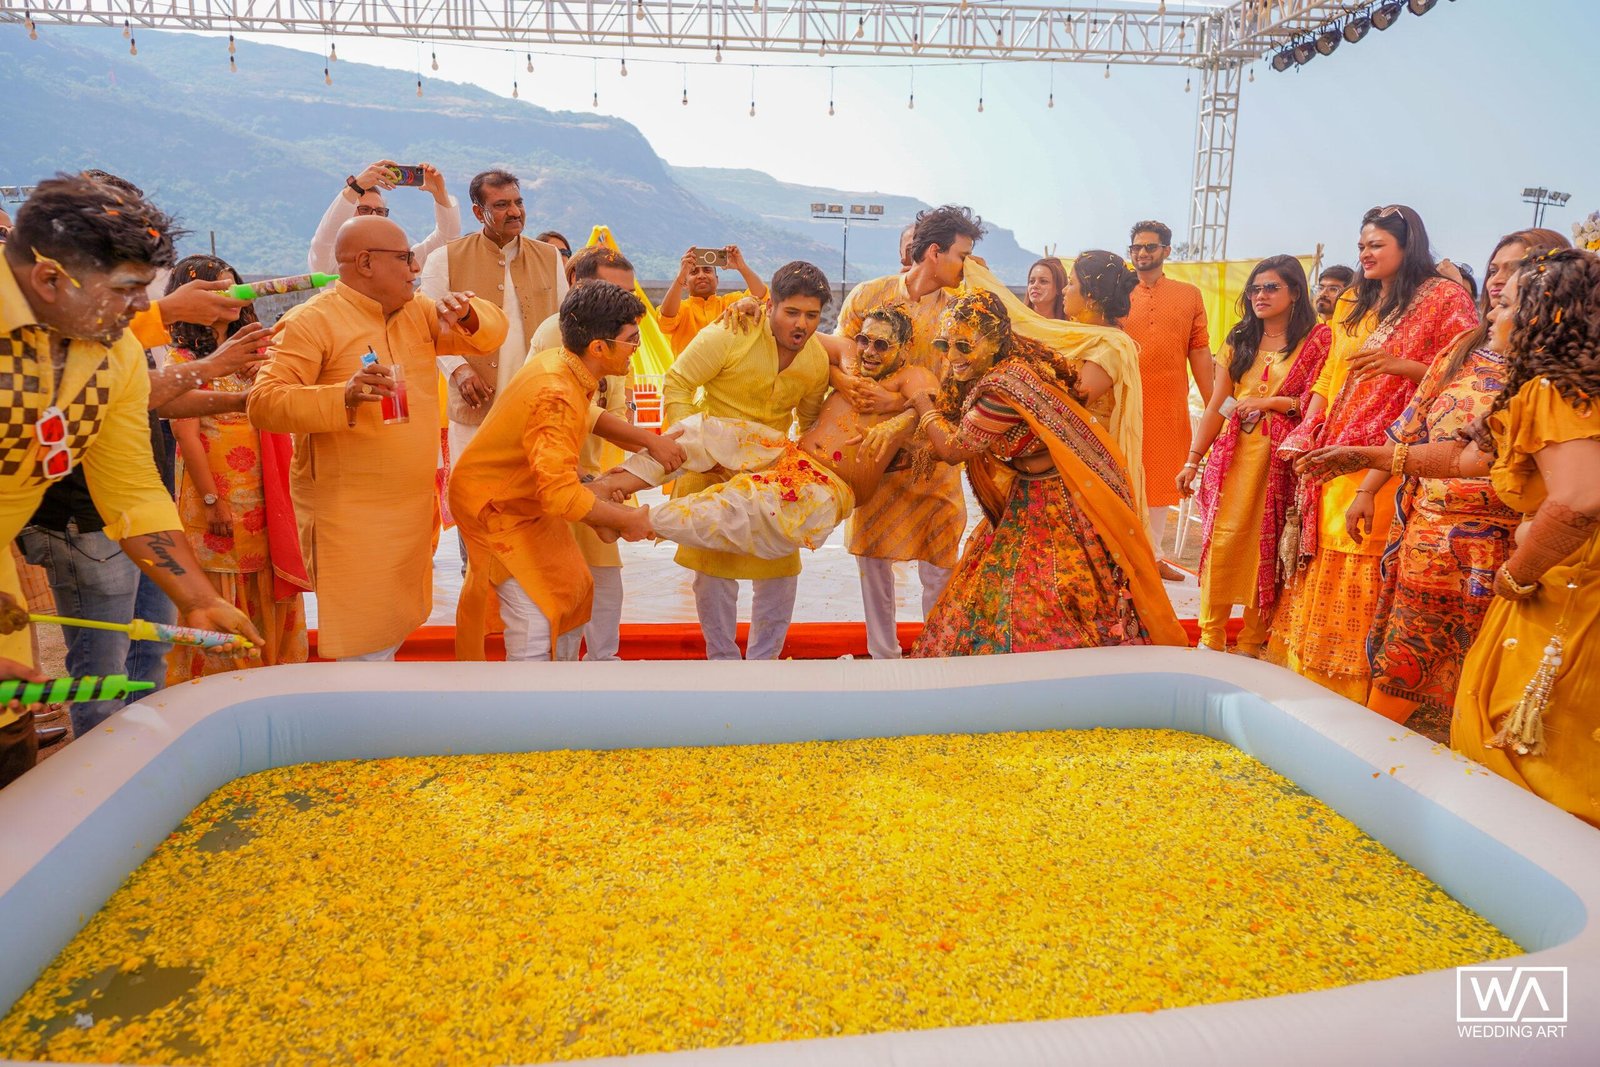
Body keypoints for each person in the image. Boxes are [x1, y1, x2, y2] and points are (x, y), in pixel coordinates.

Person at [1300, 248, 1600, 826]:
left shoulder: (1558, 390)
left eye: (1509, 304)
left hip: (1567, 590)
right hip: (1529, 568)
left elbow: (1580, 498)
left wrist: (1518, 573)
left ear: (1545, 316)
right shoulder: (1537, 387)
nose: (1494, 312)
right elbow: (1467, 460)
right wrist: (1369, 457)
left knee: (1538, 741)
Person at [1, 176, 262, 782]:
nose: (143, 310)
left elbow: (131, 490)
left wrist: (198, 599)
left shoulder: (111, 352)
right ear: (48, 279)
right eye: (125, 290)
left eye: (146, 289)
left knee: (10, 749)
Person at [248, 215, 508, 661]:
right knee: (361, 642)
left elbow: (490, 336)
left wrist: (468, 313)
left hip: (410, 511)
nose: (415, 268)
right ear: (366, 263)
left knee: (394, 630)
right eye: (405, 258)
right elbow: (264, 402)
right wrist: (342, 396)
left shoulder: (418, 312)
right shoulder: (312, 321)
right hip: (350, 519)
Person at [906, 289, 1187, 655]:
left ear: (994, 342)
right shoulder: (1004, 371)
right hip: (1026, 494)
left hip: (1058, 503)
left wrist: (922, 405)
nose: (953, 357)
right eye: (945, 345)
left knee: (1046, 594)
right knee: (994, 588)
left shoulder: (1002, 390)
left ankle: (1062, 675)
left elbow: (953, 448)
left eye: (964, 345)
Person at [1275, 204, 1478, 702]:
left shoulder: (1444, 298)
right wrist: (1312, 424)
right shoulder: (1359, 298)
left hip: (1397, 451)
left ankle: (1355, 688)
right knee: (1327, 551)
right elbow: (1333, 369)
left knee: (1364, 554)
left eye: (1377, 245)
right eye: (1361, 245)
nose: (1365, 253)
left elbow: (1464, 376)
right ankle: (1310, 676)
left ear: (1408, 245)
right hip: (1340, 442)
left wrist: (1400, 365)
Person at [590, 307, 938, 559]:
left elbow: (938, 410)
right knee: (705, 431)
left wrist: (895, 410)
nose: (869, 352)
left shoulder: (912, 377)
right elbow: (794, 333)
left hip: (828, 489)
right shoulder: (849, 355)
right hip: (792, 456)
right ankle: (609, 487)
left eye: (882, 345)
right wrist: (751, 306)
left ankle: (630, 520)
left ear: (904, 349)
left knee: (745, 504)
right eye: (865, 340)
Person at [452, 282, 675, 662]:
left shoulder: (565, 367)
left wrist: (595, 495)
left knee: (573, 590)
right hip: (496, 509)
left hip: (526, 501)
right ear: (599, 348)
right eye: (631, 340)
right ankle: (534, 693)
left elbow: (556, 457)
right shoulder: (556, 392)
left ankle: (563, 684)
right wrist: (626, 519)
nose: (637, 349)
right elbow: (558, 495)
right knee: (537, 619)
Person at [832, 205, 984, 660]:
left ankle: (936, 656)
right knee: (872, 559)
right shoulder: (869, 295)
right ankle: (883, 656)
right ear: (935, 252)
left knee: (940, 559)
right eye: (962, 255)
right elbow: (839, 352)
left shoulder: (960, 313)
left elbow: (961, 386)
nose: (966, 266)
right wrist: (849, 383)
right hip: (872, 450)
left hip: (931, 450)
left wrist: (898, 403)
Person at [662, 261, 832, 660]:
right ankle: (722, 662)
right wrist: (695, 446)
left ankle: (764, 664)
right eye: (792, 312)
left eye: (811, 316)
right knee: (713, 575)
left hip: (772, 478)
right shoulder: (731, 331)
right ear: (770, 305)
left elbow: (810, 423)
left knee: (780, 575)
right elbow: (677, 382)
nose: (801, 324)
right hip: (712, 470)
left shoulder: (815, 361)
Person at [164, 256, 311, 681]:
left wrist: (267, 371)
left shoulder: (256, 352)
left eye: (236, 288)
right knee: (222, 589)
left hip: (267, 497)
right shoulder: (182, 360)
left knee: (268, 580)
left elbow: (292, 402)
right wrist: (213, 501)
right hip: (216, 499)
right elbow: (187, 436)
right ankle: (226, 687)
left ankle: (273, 680)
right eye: (221, 291)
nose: (234, 298)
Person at [1179, 257, 1330, 655]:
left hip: (1279, 462)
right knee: (1223, 540)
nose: (1260, 295)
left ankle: (1250, 642)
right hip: (1233, 457)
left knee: (1267, 546)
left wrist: (1275, 403)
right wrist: (1193, 459)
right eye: (1255, 289)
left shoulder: (1317, 341)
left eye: (1271, 288)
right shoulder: (1240, 338)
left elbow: (1322, 401)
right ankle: (1211, 638)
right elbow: (1218, 403)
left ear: (1295, 292)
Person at [527, 245, 641, 661]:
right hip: (552, 482)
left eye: (628, 294)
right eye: (613, 291)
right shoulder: (554, 333)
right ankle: (561, 680)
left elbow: (616, 414)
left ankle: (602, 669)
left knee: (605, 589)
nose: (622, 303)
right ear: (577, 283)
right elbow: (575, 411)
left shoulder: (618, 341)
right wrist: (652, 445)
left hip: (595, 483)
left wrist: (666, 454)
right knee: (562, 594)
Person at [420, 169, 567, 468]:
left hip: (536, 405)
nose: (514, 212)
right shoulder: (444, 258)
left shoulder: (549, 257)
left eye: (518, 202)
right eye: (501, 205)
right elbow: (427, 328)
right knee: (472, 490)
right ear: (478, 212)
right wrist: (459, 370)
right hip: (476, 406)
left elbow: (563, 324)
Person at [1124, 219, 1213, 575]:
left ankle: (1153, 557)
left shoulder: (1188, 294)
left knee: (1160, 478)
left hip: (1166, 403)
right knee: (1123, 476)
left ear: (1166, 250)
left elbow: (1200, 349)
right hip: (1123, 400)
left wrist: (1214, 404)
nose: (1142, 253)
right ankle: (1122, 559)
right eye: (1136, 247)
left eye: (1150, 246)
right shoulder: (1119, 290)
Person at [307, 159, 460, 275]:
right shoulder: (331, 265)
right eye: (364, 210)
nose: (373, 216)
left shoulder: (398, 261)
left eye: (380, 212)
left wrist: (440, 194)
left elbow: (446, 242)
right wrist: (355, 188)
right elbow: (324, 239)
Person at [657, 245, 769, 357]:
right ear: (685, 283)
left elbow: (761, 298)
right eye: (694, 272)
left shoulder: (732, 302)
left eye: (707, 270)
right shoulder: (681, 308)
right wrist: (681, 276)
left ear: (717, 280)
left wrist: (742, 267)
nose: (701, 276)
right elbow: (666, 320)